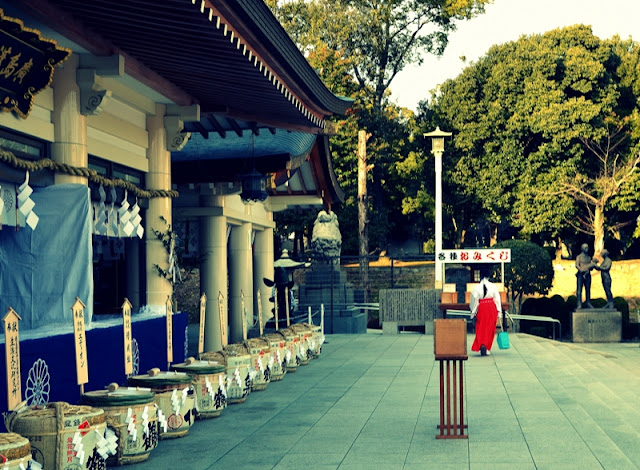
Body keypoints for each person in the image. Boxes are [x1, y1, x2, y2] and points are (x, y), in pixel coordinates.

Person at [470, 266, 502, 356]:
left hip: (482, 307)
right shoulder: (493, 286)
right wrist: (499, 311)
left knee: (480, 327)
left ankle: (481, 344)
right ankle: (487, 347)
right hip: (491, 306)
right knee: (490, 328)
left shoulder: (476, 288)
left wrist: (473, 312)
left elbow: (475, 300)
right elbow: (497, 299)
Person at [575, 243, 596, 309]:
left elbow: (591, 268)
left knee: (588, 289)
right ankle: (579, 303)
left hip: (587, 275)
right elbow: (577, 265)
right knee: (579, 290)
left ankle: (588, 302)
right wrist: (580, 269)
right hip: (580, 275)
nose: (586, 249)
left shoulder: (589, 257)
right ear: (582, 248)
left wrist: (590, 267)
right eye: (585, 247)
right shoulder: (579, 257)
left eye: (587, 247)